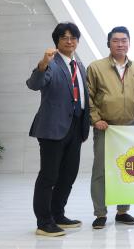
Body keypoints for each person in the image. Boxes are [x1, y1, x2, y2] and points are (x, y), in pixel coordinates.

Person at [26, 22, 91, 237]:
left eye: (73, 37)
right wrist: (43, 64)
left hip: (76, 128)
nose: (69, 41)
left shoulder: (79, 65)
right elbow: (34, 84)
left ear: (78, 41)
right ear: (57, 41)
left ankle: (58, 214)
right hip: (53, 129)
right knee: (49, 176)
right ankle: (44, 222)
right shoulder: (51, 64)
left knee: (68, 175)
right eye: (64, 37)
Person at [87, 26, 134, 229]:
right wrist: (95, 119)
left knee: (128, 169)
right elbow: (88, 96)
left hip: (130, 128)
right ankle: (100, 213)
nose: (120, 44)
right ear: (109, 43)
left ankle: (123, 211)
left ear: (129, 43)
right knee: (101, 172)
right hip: (105, 127)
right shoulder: (96, 67)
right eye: (116, 40)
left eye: (124, 40)